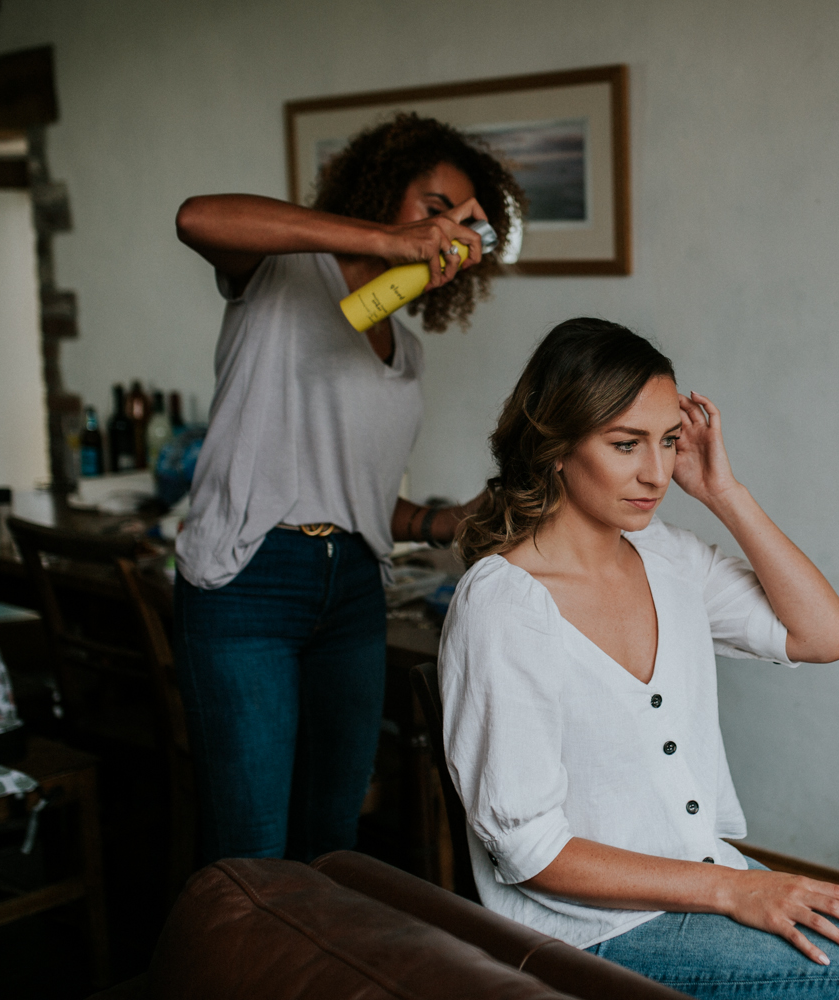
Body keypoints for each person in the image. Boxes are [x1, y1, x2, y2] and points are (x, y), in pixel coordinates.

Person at [441, 318, 839, 998]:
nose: (656, 473)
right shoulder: (504, 606)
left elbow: (826, 637)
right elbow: (531, 852)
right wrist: (735, 890)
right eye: (626, 445)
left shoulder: (668, 557)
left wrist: (723, 495)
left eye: (669, 441)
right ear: (556, 447)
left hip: (704, 884)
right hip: (591, 933)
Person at [171, 112, 524, 864]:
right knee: (252, 852)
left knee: (332, 843)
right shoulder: (282, 277)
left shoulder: (407, 351)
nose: (444, 232)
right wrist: (388, 243)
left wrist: (441, 520)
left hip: (355, 591)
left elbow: (352, 496)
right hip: (247, 584)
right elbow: (196, 217)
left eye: (463, 223)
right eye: (432, 207)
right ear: (379, 194)